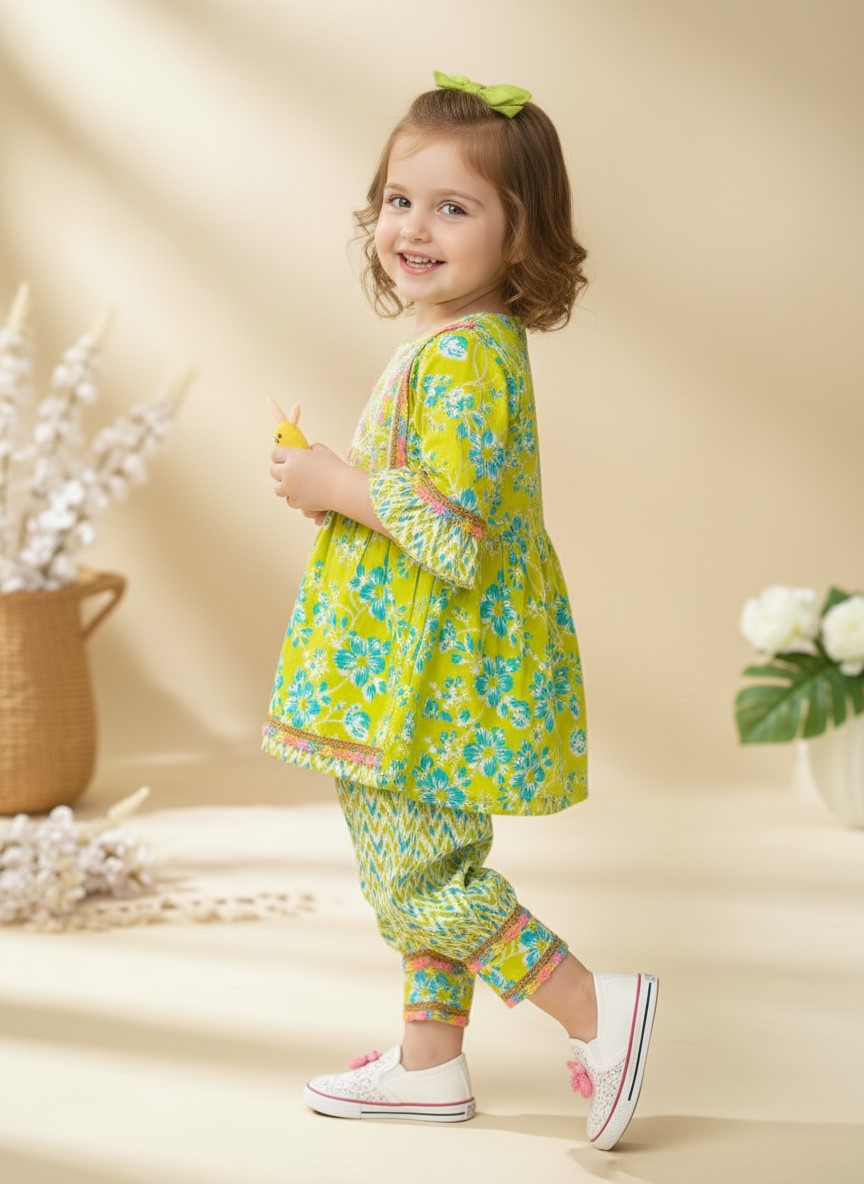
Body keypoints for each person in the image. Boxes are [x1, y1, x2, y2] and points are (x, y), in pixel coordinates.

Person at [264, 71, 657, 1151]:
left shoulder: (468, 360)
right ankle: (430, 1061)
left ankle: (595, 1005)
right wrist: (338, 489)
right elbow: (430, 507)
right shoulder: (453, 347)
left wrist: (338, 482)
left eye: (454, 207)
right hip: (418, 667)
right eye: (400, 200)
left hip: (427, 681)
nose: (414, 228)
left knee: (420, 876)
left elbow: (450, 533)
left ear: (519, 235)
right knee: (424, 858)